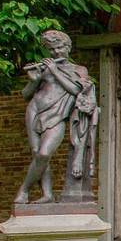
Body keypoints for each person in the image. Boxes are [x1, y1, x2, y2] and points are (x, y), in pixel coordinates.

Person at [13, 30, 97, 205]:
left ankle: (24, 190)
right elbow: (26, 94)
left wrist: (55, 71)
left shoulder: (78, 69)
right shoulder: (43, 68)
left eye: (59, 48)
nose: (56, 53)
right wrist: (34, 80)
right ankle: (47, 194)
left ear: (68, 47)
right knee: (37, 153)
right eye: (52, 50)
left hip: (57, 115)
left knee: (44, 153)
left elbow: (76, 90)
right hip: (35, 110)